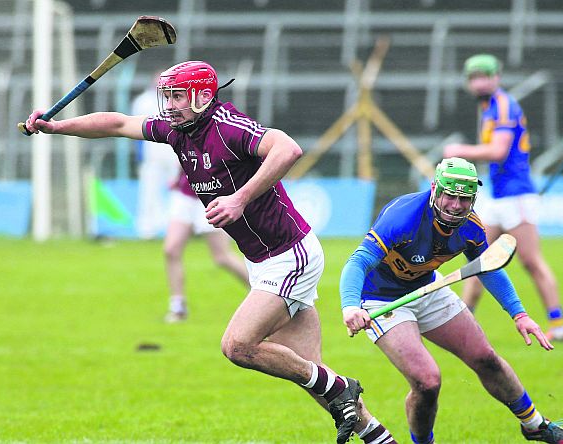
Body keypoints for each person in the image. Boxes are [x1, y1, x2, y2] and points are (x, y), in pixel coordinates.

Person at [25, 60, 396, 444]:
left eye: (177, 97)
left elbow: (288, 148)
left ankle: (341, 388)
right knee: (311, 373)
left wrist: (240, 197)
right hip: (263, 259)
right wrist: (58, 127)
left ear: (204, 96)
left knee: (237, 345)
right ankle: (378, 436)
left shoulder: (227, 125)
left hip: (290, 254)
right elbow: (118, 124)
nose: (169, 106)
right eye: (166, 97)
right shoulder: (177, 129)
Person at [340, 157, 563, 444]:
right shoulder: (403, 216)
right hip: (379, 300)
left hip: (427, 288)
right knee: (427, 381)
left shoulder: (471, 226)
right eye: (450, 196)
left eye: (464, 199)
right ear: (435, 190)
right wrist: (350, 305)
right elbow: (359, 261)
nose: (456, 206)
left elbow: (488, 268)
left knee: (486, 357)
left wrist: (519, 314)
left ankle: (535, 425)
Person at [443, 53, 563, 342]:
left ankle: (558, 324)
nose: (478, 83)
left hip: (517, 196)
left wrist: (459, 150)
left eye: (484, 76)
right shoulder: (489, 108)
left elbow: (499, 150)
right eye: (473, 78)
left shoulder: (502, 106)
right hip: (497, 194)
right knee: (478, 256)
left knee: (530, 261)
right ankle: (464, 323)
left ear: (497, 77)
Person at [163, 171, 249, 323]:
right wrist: (177, 178)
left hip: (211, 197)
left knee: (222, 257)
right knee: (171, 250)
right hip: (185, 195)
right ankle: (178, 307)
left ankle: (266, 292)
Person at [131, 77, 181, 239]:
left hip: (173, 154)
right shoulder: (143, 101)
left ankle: (175, 227)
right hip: (151, 156)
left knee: (178, 192)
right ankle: (147, 229)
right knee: (149, 192)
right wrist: (140, 154)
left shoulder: (177, 100)